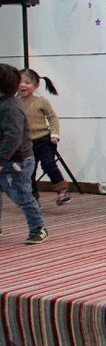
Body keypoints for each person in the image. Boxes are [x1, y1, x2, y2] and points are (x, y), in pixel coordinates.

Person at [0, 64, 48, 244]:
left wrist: (2, 158)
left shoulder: (10, 107)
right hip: (7, 158)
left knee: (22, 195)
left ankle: (38, 228)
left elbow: (13, 136)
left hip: (16, 160)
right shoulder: (4, 103)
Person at [18, 69, 70, 205]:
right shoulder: (15, 103)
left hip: (44, 140)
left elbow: (52, 118)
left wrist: (55, 134)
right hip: (26, 144)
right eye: (20, 82)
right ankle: (33, 199)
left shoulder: (41, 101)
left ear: (36, 85)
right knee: (29, 171)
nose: (22, 85)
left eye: (27, 82)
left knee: (48, 164)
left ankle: (62, 190)